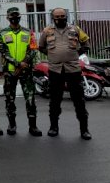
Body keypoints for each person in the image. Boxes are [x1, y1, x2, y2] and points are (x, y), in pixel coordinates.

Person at [37, 8, 92, 140]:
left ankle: (84, 130)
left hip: (73, 69)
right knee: (55, 100)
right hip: (55, 70)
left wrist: (75, 54)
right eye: (57, 16)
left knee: (79, 100)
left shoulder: (75, 29)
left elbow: (86, 44)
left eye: (62, 16)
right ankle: (53, 127)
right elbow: (41, 46)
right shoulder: (47, 31)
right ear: (53, 18)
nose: (60, 18)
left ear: (66, 16)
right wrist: (53, 55)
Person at [0, 8, 42, 136]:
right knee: (9, 99)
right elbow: (3, 51)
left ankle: (33, 126)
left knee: (30, 99)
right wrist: (17, 64)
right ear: (7, 17)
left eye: (16, 15)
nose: (14, 17)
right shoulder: (3, 33)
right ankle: (12, 125)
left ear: (20, 16)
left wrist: (23, 64)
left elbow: (33, 49)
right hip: (10, 72)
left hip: (26, 71)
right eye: (12, 15)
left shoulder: (28, 32)